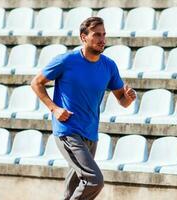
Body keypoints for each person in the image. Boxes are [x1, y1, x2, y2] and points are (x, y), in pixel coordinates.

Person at [31, 17, 136, 200]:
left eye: (104, 35)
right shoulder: (66, 61)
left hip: (90, 134)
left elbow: (122, 100)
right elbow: (36, 83)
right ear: (83, 37)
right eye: (96, 35)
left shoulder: (109, 66)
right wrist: (54, 108)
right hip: (68, 130)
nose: (102, 39)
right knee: (94, 180)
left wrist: (129, 98)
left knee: (73, 190)